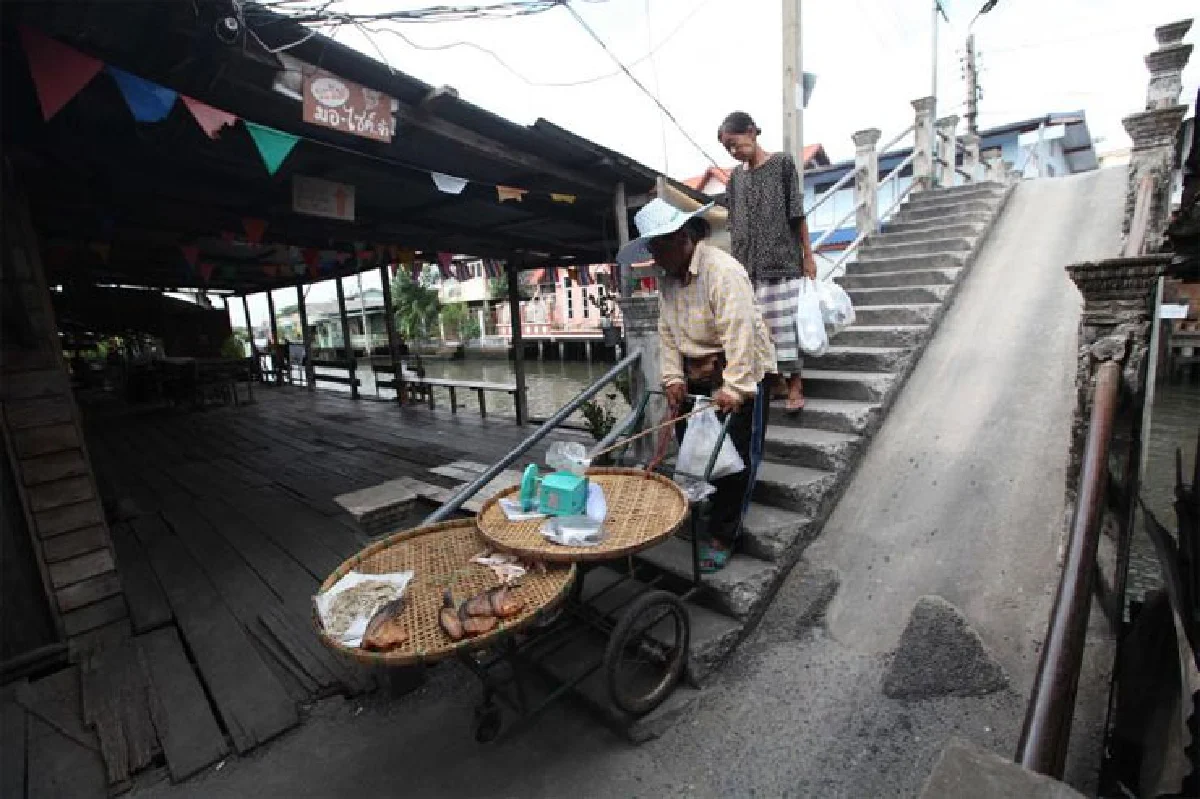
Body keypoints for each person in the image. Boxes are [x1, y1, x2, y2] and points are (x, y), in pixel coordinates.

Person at [620, 199, 776, 572]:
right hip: (695, 374)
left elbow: (740, 332)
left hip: (739, 370)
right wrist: (672, 378)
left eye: (659, 247)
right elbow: (667, 333)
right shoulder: (668, 281)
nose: (655, 257)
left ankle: (724, 534)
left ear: (682, 237)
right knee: (698, 453)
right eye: (652, 249)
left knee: (735, 460)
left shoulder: (722, 271)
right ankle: (705, 515)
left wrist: (735, 388)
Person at [719, 111, 818, 414]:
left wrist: (808, 255)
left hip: (782, 260)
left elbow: (796, 212)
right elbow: (734, 224)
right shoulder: (735, 178)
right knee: (760, 329)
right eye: (728, 149)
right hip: (749, 268)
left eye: (735, 143)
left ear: (751, 132)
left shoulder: (782, 164)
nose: (734, 152)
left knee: (787, 326)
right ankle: (774, 381)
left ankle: (796, 383)